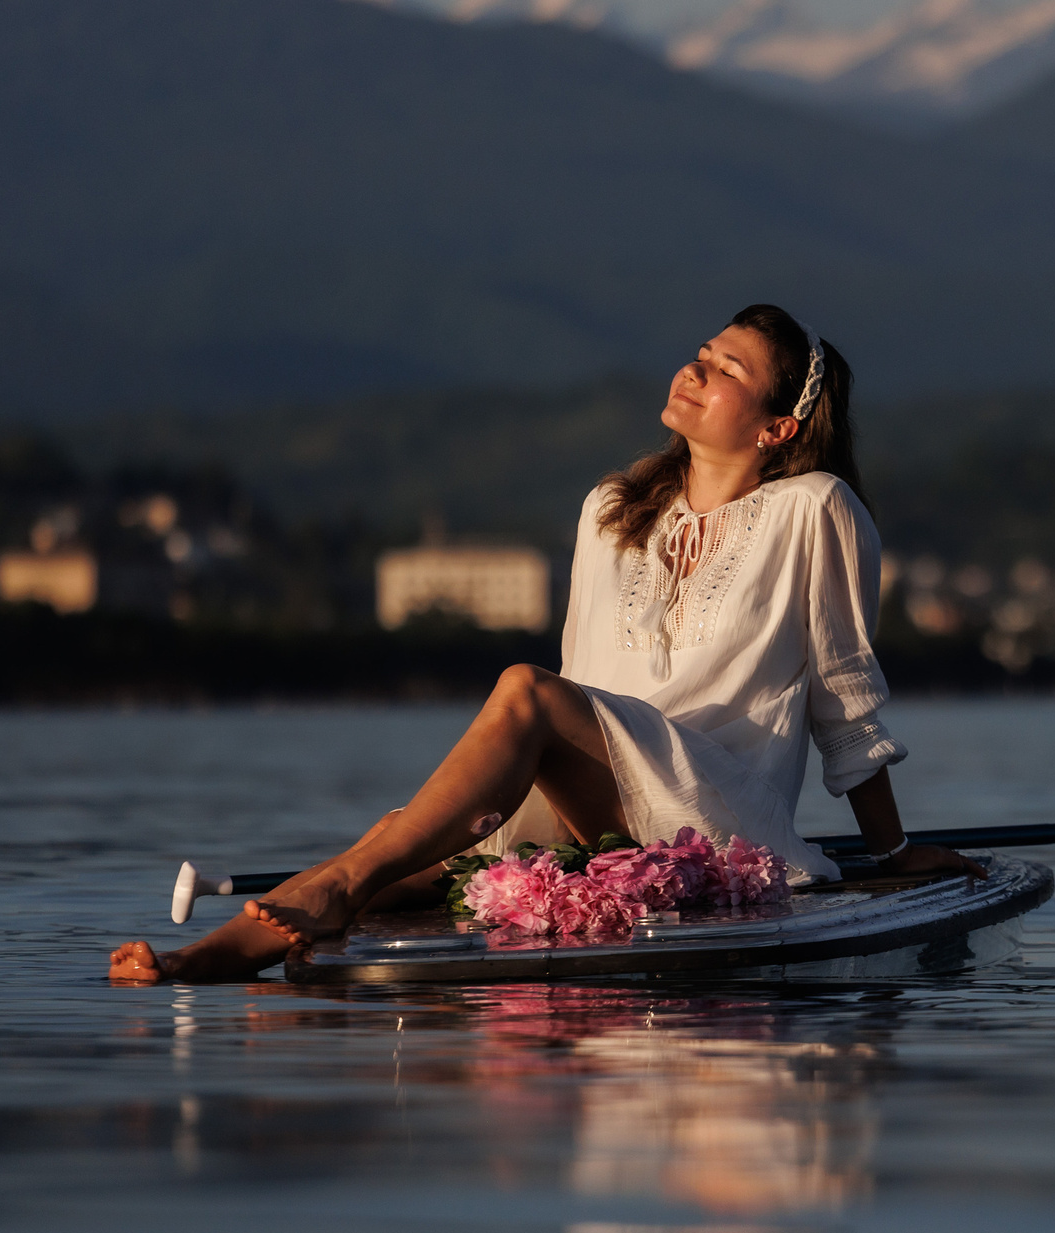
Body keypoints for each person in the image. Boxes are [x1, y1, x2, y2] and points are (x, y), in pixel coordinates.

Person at [111, 304, 977, 982]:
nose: (695, 368)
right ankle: (201, 962)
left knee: (518, 697)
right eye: (702, 352)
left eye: (728, 369)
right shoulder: (612, 509)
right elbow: (585, 677)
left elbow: (843, 696)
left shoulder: (815, 507)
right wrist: (520, 797)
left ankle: (328, 893)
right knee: (413, 838)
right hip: (604, 788)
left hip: (718, 809)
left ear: (777, 427)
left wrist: (892, 852)